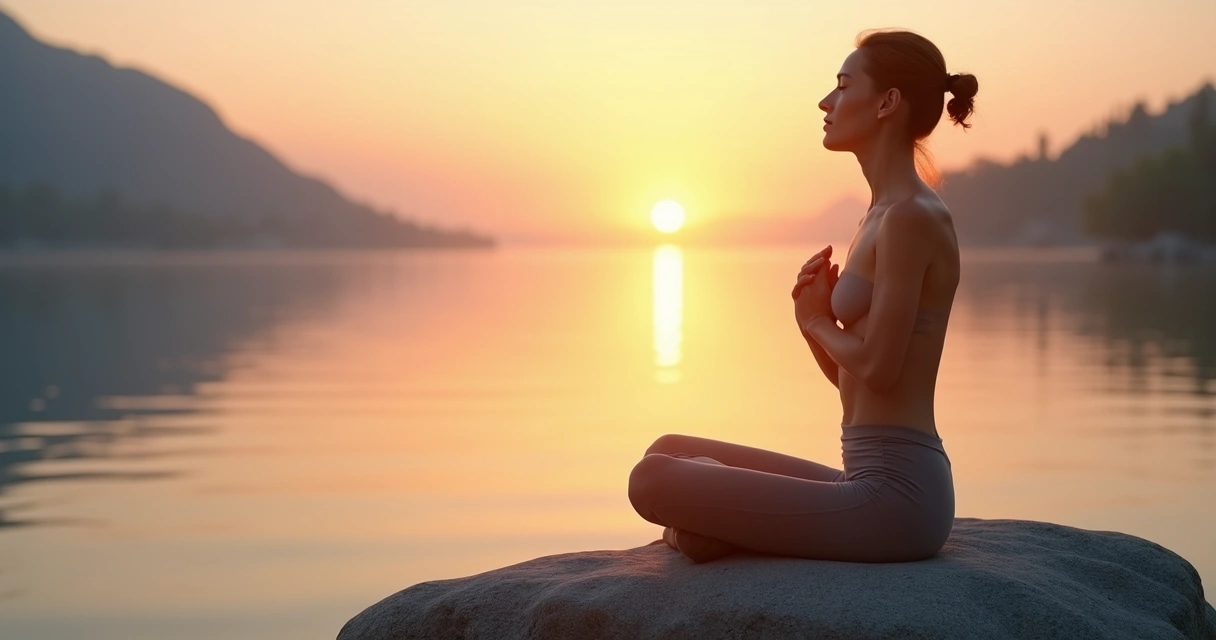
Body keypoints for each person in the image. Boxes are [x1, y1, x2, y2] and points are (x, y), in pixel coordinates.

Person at [628, 28, 978, 564]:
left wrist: (820, 323)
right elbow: (853, 381)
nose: (825, 101)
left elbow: (882, 370)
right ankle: (707, 529)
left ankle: (700, 531)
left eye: (842, 85)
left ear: (887, 103)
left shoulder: (911, 217)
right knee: (668, 450)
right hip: (862, 475)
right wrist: (807, 321)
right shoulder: (878, 215)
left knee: (651, 480)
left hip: (898, 498)